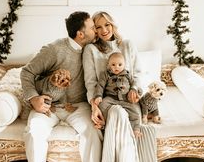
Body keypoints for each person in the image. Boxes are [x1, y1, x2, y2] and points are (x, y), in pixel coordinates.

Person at [20, 11, 102, 162]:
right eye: (92, 28)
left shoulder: (92, 49)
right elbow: (27, 72)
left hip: (79, 106)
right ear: (80, 34)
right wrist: (33, 98)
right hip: (49, 106)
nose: (96, 30)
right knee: (34, 132)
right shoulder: (54, 49)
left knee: (93, 132)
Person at [83, 11, 157, 162]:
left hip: (128, 100)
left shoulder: (127, 45)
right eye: (98, 27)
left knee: (127, 114)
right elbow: (90, 82)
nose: (104, 30)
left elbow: (137, 74)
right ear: (94, 30)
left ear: (113, 24)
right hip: (108, 101)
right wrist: (94, 106)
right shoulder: (91, 49)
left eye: (107, 24)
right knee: (118, 113)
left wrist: (135, 89)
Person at [94, 52, 143, 137]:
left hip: (125, 99)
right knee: (102, 106)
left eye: (120, 64)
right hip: (110, 97)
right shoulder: (105, 74)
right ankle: (103, 123)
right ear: (108, 65)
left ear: (124, 65)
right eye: (113, 64)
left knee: (135, 113)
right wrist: (98, 96)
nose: (116, 67)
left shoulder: (127, 74)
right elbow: (100, 86)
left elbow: (134, 83)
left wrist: (135, 90)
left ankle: (136, 129)